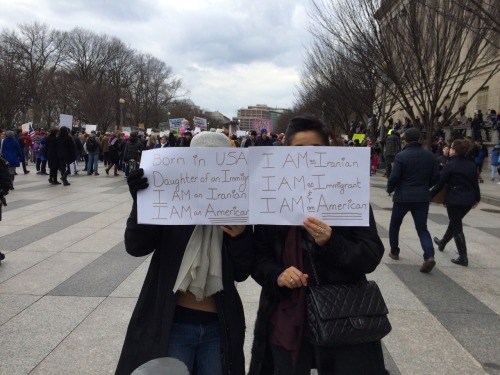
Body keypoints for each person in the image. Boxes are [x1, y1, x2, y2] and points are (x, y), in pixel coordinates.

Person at [249, 115, 388, 375]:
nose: (306, 157)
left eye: (315, 150)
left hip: (341, 316)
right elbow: (258, 256)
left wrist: (331, 242)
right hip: (285, 316)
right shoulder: (271, 198)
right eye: (298, 150)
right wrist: (277, 275)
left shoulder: (348, 194)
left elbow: (370, 254)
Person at [116, 131, 254, 375]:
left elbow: (242, 272)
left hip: (218, 327)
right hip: (172, 324)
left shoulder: (236, 208)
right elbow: (136, 247)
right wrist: (141, 203)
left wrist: (241, 236)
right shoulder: (171, 203)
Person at [387, 128, 440, 273]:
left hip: (403, 196)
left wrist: (389, 189)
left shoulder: (401, 156)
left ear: (406, 140)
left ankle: (394, 251)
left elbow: (394, 177)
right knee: (422, 228)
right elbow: (436, 177)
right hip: (422, 197)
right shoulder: (430, 156)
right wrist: (425, 186)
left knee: (395, 225)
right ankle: (429, 256)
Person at [431, 139, 481, 266]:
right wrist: (477, 198)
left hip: (454, 199)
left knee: (457, 226)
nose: (450, 149)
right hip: (468, 199)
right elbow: (475, 183)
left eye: (452, 148)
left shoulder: (450, 165)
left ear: (455, 150)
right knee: (454, 222)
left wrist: (428, 196)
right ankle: (442, 242)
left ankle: (463, 256)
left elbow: (440, 184)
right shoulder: (471, 164)